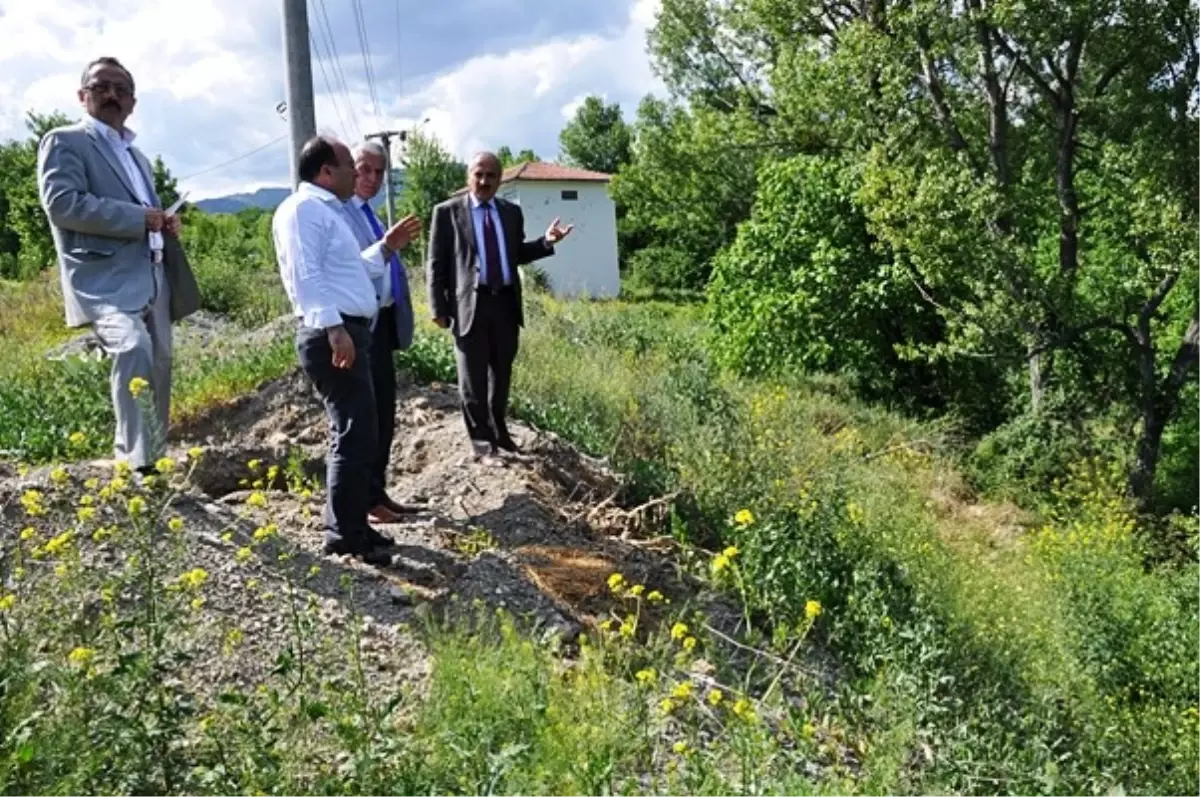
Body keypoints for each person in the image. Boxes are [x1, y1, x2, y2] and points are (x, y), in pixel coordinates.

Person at [36, 56, 198, 473]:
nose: (111, 95)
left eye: (120, 89)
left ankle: (154, 460)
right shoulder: (64, 141)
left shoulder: (138, 157)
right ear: (82, 95)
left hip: (153, 271)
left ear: (133, 101)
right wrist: (137, 218)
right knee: (133, 348)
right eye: (101, 86)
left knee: (159, 364)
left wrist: (162, 221)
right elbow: (62, 205)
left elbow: (142, 212)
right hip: (102, 279)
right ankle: (135, 463)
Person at [271, 135, 421, 566]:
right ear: (324, 171)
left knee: (360, 432)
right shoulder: (302, 211)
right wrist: (335, 329)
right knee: (353, 433)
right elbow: (306, 275)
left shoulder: (326, 211)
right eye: (348, 166)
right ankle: (344, 534)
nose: (357, 175)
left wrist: (387, 248)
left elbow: (350, 272)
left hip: (349, 329)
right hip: (332, 333)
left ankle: (354, 524)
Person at [426, 151, 573, 461]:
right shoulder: (448, 212)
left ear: (499, 179)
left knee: (501, 374)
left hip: (504, 303)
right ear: (468, 177)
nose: (484, 181)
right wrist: (437, 307)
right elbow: (436, 263)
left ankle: (500, 434)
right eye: (479, 174)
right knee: (472, 378)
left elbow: (514, 253)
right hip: (469, 305)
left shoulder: (510, 212)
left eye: (491, 176)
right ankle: (481, 443)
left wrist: (545, 242)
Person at [339, 141, 420, 523]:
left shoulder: (366, 213)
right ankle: (365, 500)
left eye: (379, 171)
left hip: (381, 324)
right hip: (358, 326)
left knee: (384, 413)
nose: (371, 178)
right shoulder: (339, 213)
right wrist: (388, 246)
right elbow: (355, 268)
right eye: (363, 169)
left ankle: (377, 492)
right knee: (366, 417)